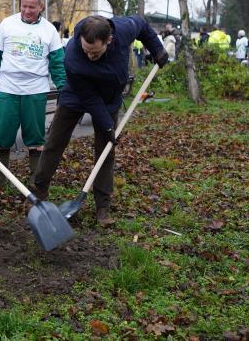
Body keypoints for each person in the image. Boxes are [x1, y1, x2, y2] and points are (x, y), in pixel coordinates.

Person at [32, 15, 168, 226]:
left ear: (109, 40)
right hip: (78, 94)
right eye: (85, 49)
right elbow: (89, 98)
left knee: (105, 150)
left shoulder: (123, 30)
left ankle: (102, 206)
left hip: (108, 97)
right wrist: (106, 124)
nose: (89, 55)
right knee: (54, 142)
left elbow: (142, 25)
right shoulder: (73, 57)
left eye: (94, 52)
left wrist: (157, 49)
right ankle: (39, 193)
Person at [0, 0, 66, 188]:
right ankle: (0, 176)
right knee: (2, 134)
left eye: (32, 7)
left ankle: (34, 177)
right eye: (24, 6)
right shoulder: (7, 24)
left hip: (35, 90)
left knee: (35, 136)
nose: (27, 11)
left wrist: (63, 86)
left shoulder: (49, 31)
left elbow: (57, 63)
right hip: (8, 89)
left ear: (41, 7)